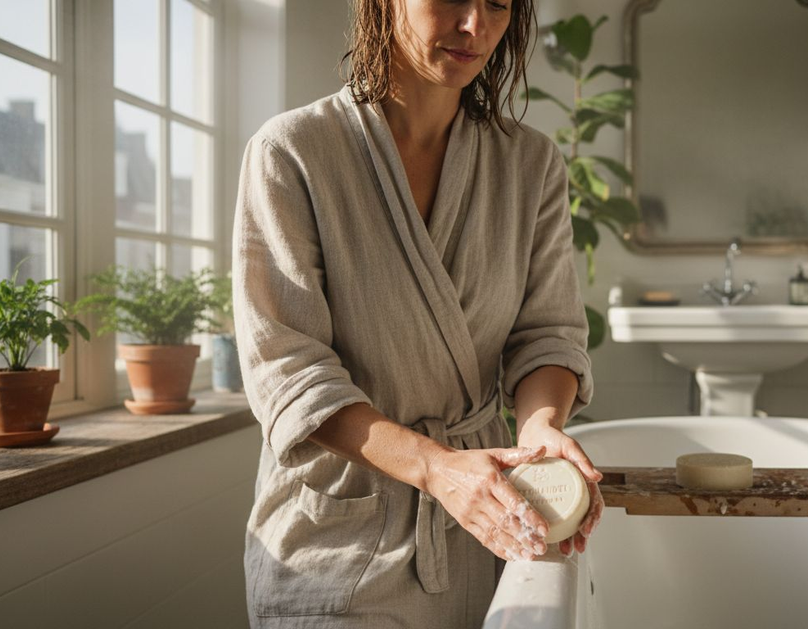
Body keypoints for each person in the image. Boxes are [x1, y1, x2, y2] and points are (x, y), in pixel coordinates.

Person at [232, 0, 603, 626]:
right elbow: (287, 369)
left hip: (484, 521)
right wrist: (436, 469)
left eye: (497, 4)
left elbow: (548, 334)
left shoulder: (529, 165)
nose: (475, 26)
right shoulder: (293, 152)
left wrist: (540, 426)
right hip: (341, 538)